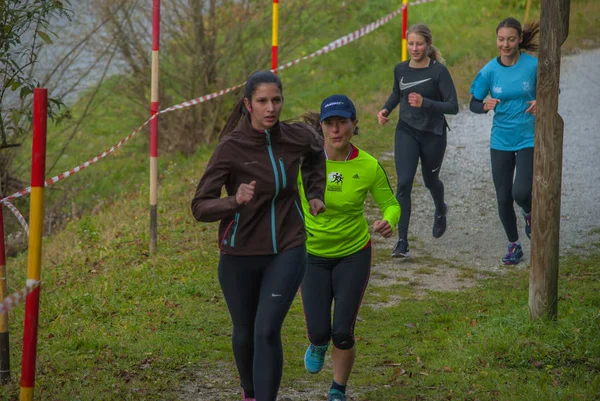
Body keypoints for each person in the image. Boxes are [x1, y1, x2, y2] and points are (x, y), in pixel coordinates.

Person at [191, 70, 326, 401]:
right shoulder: (231, 148)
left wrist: (314, 192)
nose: (271, 108)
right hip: (239, 254)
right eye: (263, 101)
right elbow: (199, 206)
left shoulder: (296, 136)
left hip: (288, 247)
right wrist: (232, 201)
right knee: (245, 332)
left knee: (267, 330)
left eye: (276, 100)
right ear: (247, 105)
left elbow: (315, 154)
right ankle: (249, 393)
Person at [298, 95, 401, 401]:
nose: (336, 129)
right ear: (321, 127)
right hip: (311, 255)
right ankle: (317, 343)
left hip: (353, 254)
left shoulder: (367, 165)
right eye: (329, 123)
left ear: (354, 124)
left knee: (342, 332)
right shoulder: (303, 162)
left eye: (342, 122)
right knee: (320, 332)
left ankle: (337, 389)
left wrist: (388, 221)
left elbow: (391, 205)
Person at [377, 23, 459, 258]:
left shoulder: (438, 72)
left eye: (419, 44)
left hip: (433, 133)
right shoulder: (400, 69)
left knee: (430, 179)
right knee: (403, 182)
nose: (415, 48)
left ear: (428, 45)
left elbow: (453, 106)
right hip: (406, 131)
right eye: (411, 44)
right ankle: (402, 241)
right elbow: (397, 93)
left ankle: (440, 208)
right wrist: (386, 110)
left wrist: (426, 103)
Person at [469, 18, 539, 265]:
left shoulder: (532, 66)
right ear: (496, 40)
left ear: (520, 39)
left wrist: (540, 102)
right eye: (501, 39)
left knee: (520, 191)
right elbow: (473, 103)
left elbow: (552, 91)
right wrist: (484, 105)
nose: (505, 44)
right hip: (500, 140)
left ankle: (529, 213)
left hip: (529, 137)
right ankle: (514, 244)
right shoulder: (489, 70)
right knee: (502, 197)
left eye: (511, 39)